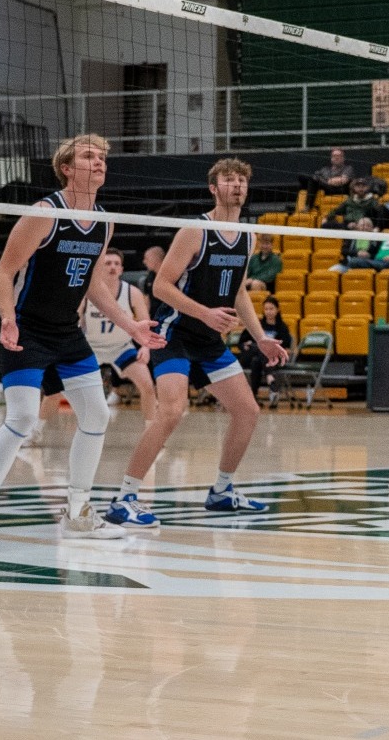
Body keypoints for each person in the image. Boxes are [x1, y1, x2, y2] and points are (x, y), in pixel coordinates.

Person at [0, 135, 162, 558]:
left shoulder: (104, 220)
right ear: (67, 167)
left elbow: (92, 282)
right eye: (89, 156)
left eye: (103, 157)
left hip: (67, 332)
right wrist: (8, 318)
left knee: (97, 413)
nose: (99, 162)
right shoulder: (44, 214)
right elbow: (3, 272)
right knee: (24, 417)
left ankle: (79, 511)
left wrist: (131, 326)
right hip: (26, 329)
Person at [104, 158, 288, 530]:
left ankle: (222, 491)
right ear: (213, 188)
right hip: (173, 334)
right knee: (171, 410)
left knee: (247, 411)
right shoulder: (195, 231)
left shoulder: (248, 237)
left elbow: (237, 291)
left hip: (207, 339)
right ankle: (124, 498)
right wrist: (204, 312)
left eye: (241, 180)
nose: (236, 185)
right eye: (228, 179)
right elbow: (161, 286)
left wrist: (261, 337)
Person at [80, 250, 151, 407]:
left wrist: (145, 348)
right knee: (59, 389)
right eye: (108, 263)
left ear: (121, 269)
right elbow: (74, 321)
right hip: (91, 348)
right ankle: (38, 428)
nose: (112, 267)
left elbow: (146, 323)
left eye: (116, 264)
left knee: (147, 387)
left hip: (122, 348)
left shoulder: (133, 293)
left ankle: (150, 428)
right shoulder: (86, 292)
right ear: (99, 268)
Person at [237, 296, 292, 396]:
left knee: (256, 361)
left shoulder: (282, 327)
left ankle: (253, 396)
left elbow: (286, 347)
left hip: (272, 358)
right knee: (259, 347)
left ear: (277, 309)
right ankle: (269, 376)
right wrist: (245, 346)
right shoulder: (257, 325)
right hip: (250, 355)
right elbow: (241, 343)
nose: (268, 312)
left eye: (271, 309)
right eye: (266, 309)